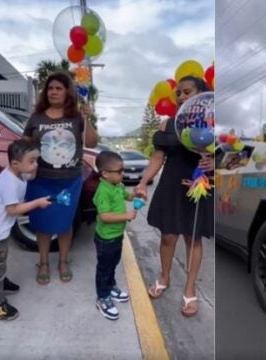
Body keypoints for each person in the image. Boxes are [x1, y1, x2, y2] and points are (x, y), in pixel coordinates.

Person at [134, 75, 214, 317]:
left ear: (201, 94)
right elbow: (158, 157)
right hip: (171, 183)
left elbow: (232, 155)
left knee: (193, 239)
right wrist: (143, 182)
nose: (180, 97)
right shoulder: (167, 125)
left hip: (198, 184)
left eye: (186, 92)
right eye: (178, 93)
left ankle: (190, 290)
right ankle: (164, 277)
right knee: (168, 236)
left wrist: (215, 161)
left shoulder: (213, 123)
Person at [22, 72, 98, 284]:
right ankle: (44, 262)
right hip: (40, 181)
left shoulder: (75, 117)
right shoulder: (36, 117)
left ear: (67, 92)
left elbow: (91, 143)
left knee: (65, 223)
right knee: (42, 223)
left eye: (58, 88)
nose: (53, 92)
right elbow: (24, 146)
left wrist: (87, 118)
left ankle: (63, 261)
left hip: (69, 181)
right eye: (50, 88)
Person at [0, 140, 52, 321]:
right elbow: (12, 210)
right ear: (14, 163)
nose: (35, 164)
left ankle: (1, 282)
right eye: (32, 161)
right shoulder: (9, 182)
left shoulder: (19, 173)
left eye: (37, 160)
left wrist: (33, 162)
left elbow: (32, 176)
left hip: (0, 230)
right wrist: (37, 203)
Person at [92, 151, 137, 320]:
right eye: (119, 171)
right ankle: (102, 297)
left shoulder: (118, 185)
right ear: (105, 173)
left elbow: (125, 195)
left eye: (122, 170)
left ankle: (111, 286)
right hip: (105, 238)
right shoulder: (103, 191)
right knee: (104, 267)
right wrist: (126, 216)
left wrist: (134, 195)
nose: (122, 173)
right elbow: (104, 216)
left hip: (117, 235)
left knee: (113, 263)